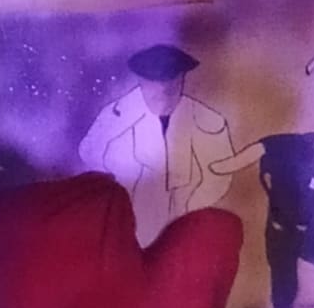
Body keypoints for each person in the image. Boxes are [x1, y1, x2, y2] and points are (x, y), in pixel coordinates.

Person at [77, 44, 235, 247]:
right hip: (128, 217)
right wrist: (118, 198)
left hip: (183, 219)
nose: (164, 93)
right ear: (141, 82)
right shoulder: (117, 114)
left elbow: (220, 174)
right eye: (154, 87)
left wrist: (191, 207)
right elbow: (89, 152)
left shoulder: (209, 121)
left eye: (172, 85)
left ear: (182, 80)